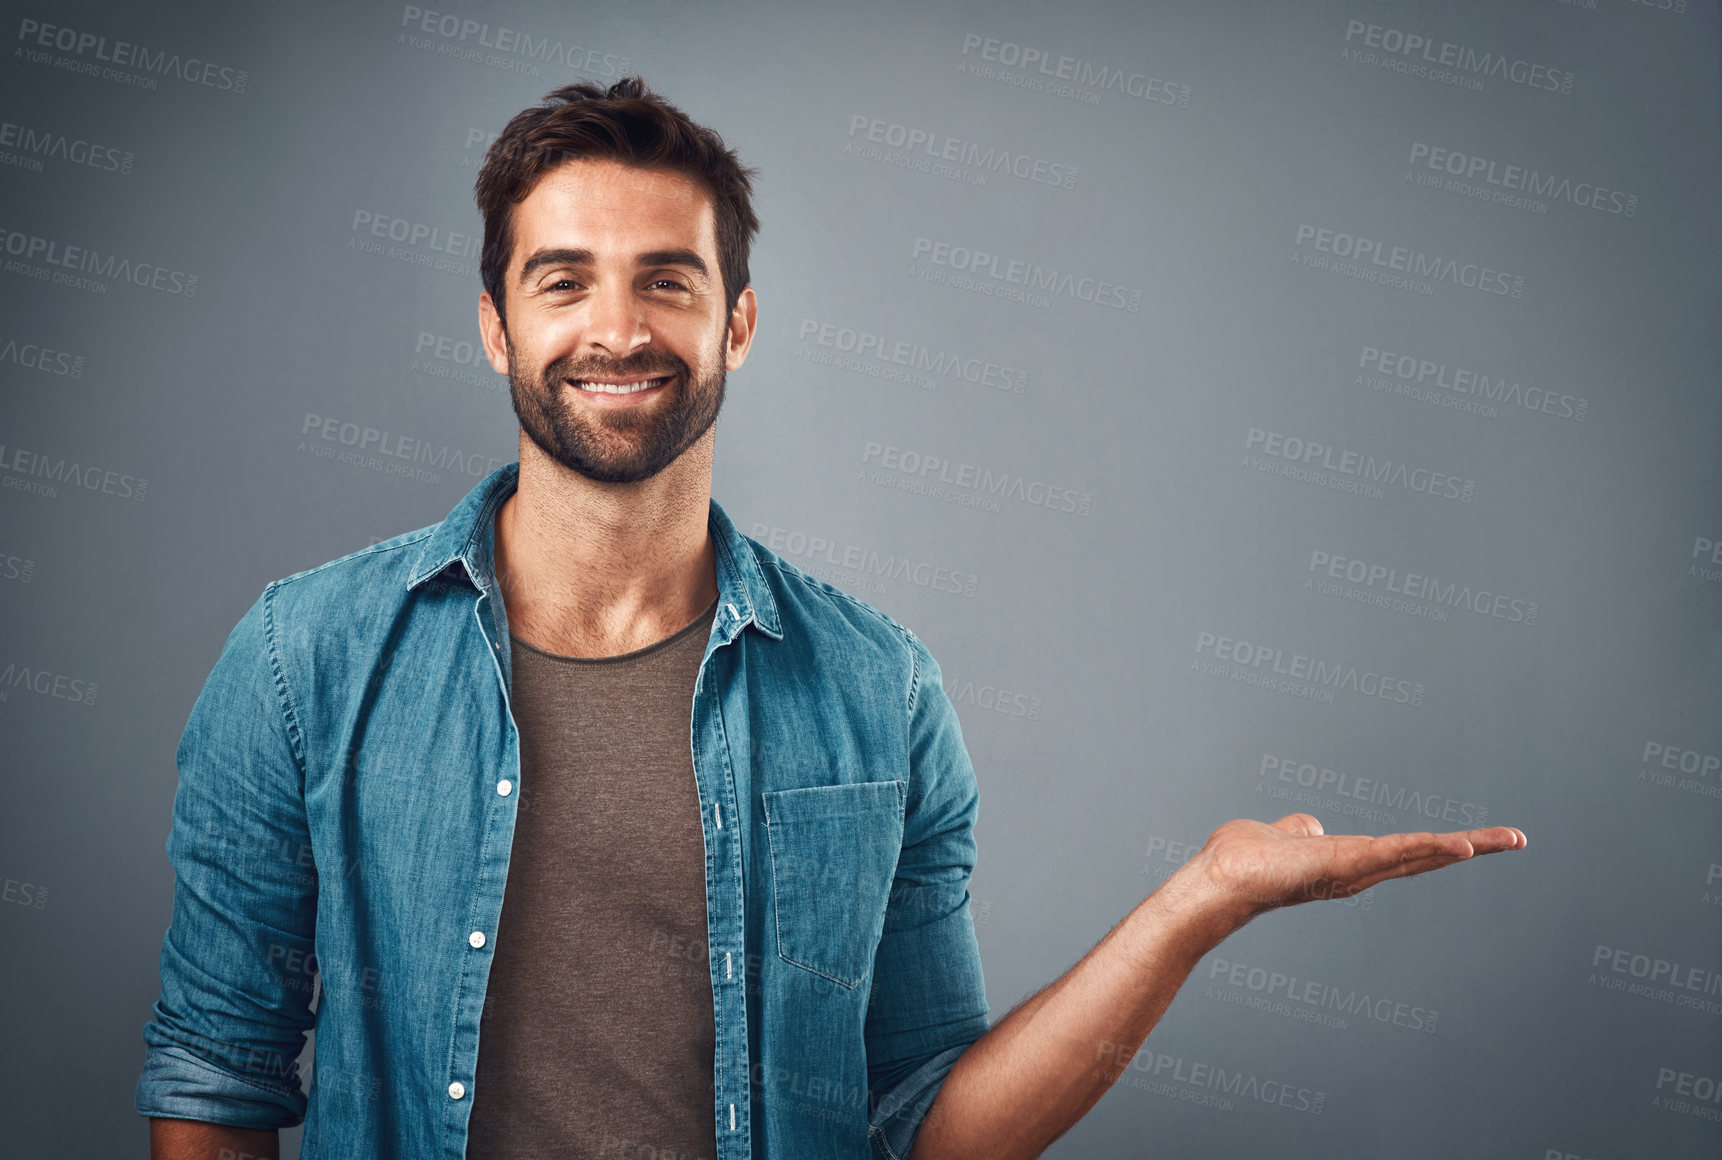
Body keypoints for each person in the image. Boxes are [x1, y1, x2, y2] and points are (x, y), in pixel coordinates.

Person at [136, 76, 1525, 1160]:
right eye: (562, 279)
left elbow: (935, 1125)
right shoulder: (300, 660)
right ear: (495, 326)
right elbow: (216, 1075)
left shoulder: (879, 690)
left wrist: (1194, 905)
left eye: (665, 279)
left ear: (738, 321)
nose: (614, 328)